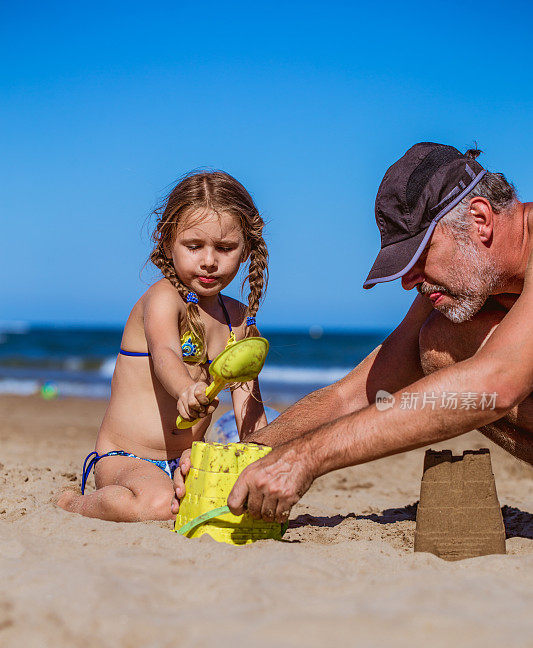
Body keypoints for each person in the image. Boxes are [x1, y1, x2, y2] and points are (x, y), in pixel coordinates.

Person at [178, 142, 531, 523]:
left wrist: (308, 456)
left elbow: (495, 385)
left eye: (420, 258)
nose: (409, 282)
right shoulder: (468, 282)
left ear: (480, 220)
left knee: (461, 360)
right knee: (435, 343)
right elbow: (353, 394)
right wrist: (241, 459)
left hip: (498, 381)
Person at [57, 170, 269, 521]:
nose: (209, 261)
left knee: (234, 505)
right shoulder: (162, 300)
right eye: (194, 245)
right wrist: (185, 389)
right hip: (126, 458)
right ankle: (73, 503)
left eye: (225, 247)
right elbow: (166, 355)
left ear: (246, 248)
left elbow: (250, 408)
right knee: (159, 506)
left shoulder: (239, 321)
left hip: (188, 460)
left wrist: (261, 462)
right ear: (168, 241)